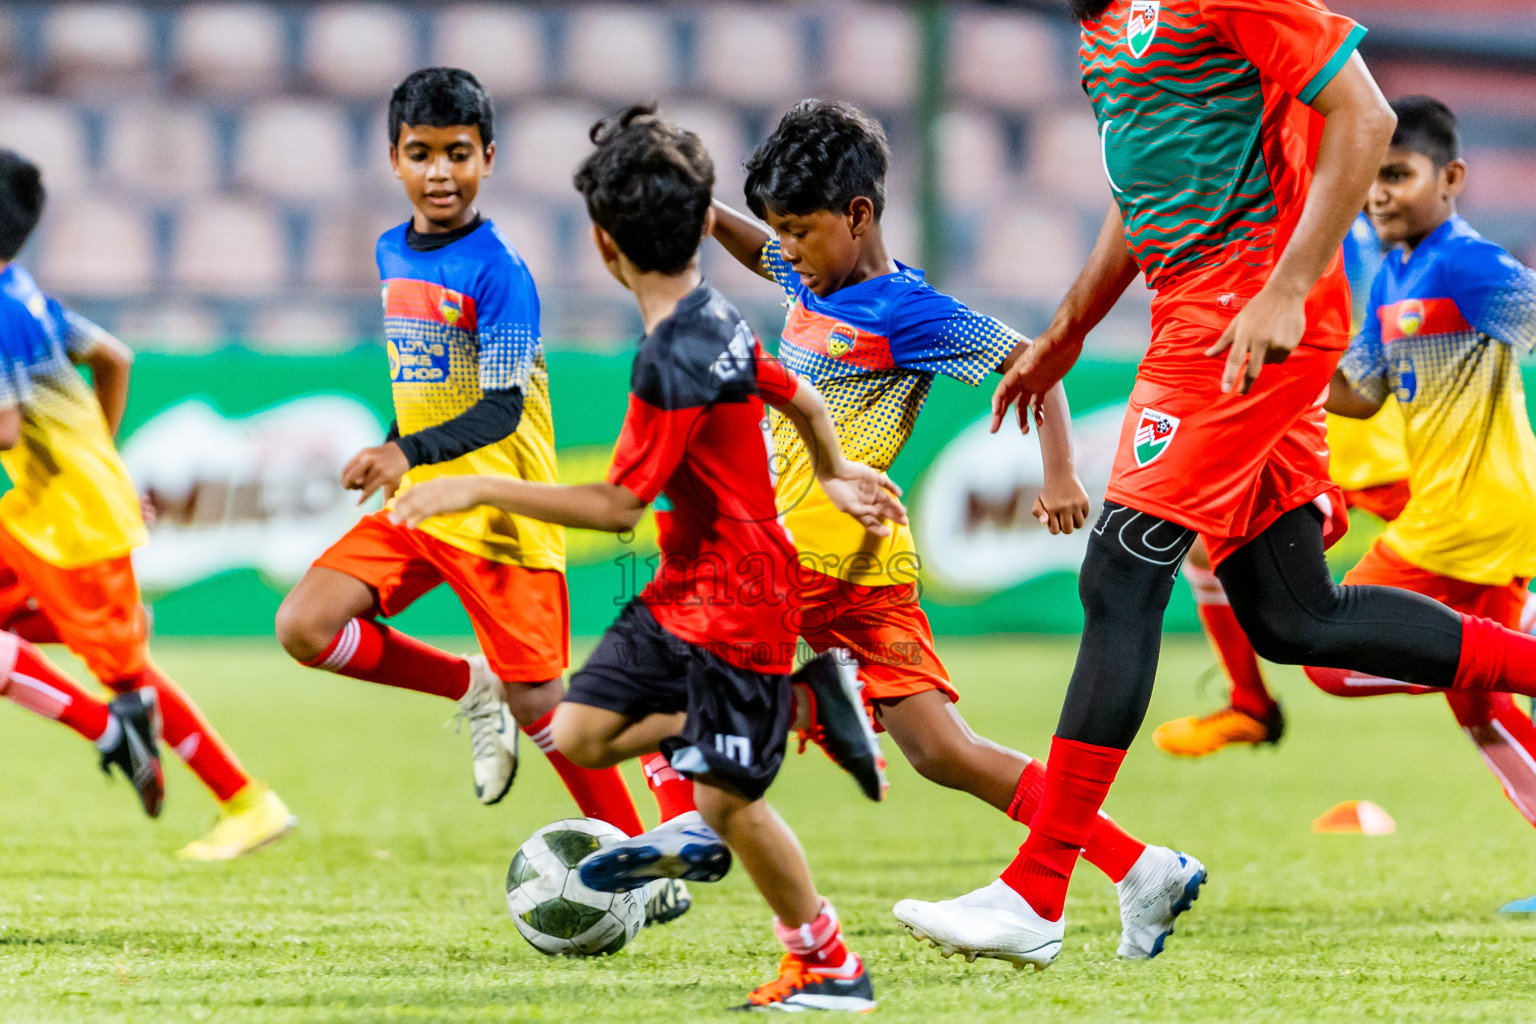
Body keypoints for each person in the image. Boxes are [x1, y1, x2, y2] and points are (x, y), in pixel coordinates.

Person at [893, 0, 1536, 970]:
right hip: (1195, 321)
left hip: (1246, 321)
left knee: (1119, 577)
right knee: (1296, 620)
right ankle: (1137, 874)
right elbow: (1141, 200)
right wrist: (1064, 335)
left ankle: (1036, 888)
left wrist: (1289, 283)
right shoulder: (1100, 32)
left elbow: (1360, 112)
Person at [392, 104, 900, 1011]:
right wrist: (833, 472)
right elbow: (801, 400)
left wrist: (474, 487)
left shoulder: (671, 356)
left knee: (727, 807)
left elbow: (618, 504)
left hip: (740, 597)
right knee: (580, 731)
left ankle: (828, 962)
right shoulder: (721, 317)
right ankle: (774, 716)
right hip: (686, 589)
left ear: (602, 246)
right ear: (705, 221)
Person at [272, 68, 644, 840]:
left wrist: (404, 451)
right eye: (422, 153)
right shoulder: (389, 251)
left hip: (502, 516)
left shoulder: (500, 271)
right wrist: (390, 443)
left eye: (459, 153)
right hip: (422, 506)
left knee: (544, 708)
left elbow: (502, 409)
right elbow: (421, 380)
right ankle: (470, 686)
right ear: (394, 160)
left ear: (489, 158)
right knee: (304, 626)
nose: (440, 172)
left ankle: (637, 857)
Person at [0, 149, 290, 859]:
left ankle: (245, 800)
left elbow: (4, 426)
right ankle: (108, 686)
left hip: (72, 526)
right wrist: (101, 461)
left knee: (131, 678)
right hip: (51, 509)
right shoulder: (24, 292)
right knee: (115, 661)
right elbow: (115, 357)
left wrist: (94, 475)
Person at [1309, 96, 1536, 830]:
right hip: (1471, 518)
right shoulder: (1393, 277)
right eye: (1372, 177)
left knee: (1327, 652)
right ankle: (1521, 641)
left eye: (1398, 174)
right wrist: (1281, 363)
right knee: (1480, 705)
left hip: (1465, 522)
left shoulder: (1469, 266)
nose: (1378, 192)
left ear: (1451, 178)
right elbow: (1360, 396)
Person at [1153, 209, 1410, 757]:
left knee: (1467, 569)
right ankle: (1250, 704)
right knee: (1204, 548)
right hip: (1294, 428)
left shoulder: (1335, 221)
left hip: (1366, 437)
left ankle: (1513, 646)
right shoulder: (1268, 204)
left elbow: (1349, 315)